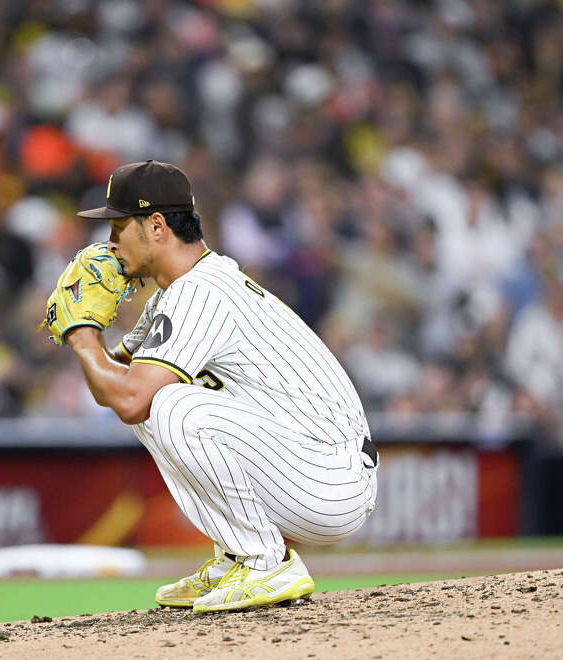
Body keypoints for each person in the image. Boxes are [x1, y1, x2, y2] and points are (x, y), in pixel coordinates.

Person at [59, 160, 379, 612]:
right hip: (306, 464)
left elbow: (131, 399)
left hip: (331, 477)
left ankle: (264, 562)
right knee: (157, 403)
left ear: (155, 226)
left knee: (168, 404)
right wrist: (87, 336)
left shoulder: (201, 292)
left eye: (118, 225)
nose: (109, 242)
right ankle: (237, 555)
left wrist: (82, 337)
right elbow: (114, 386)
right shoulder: (179, 292)